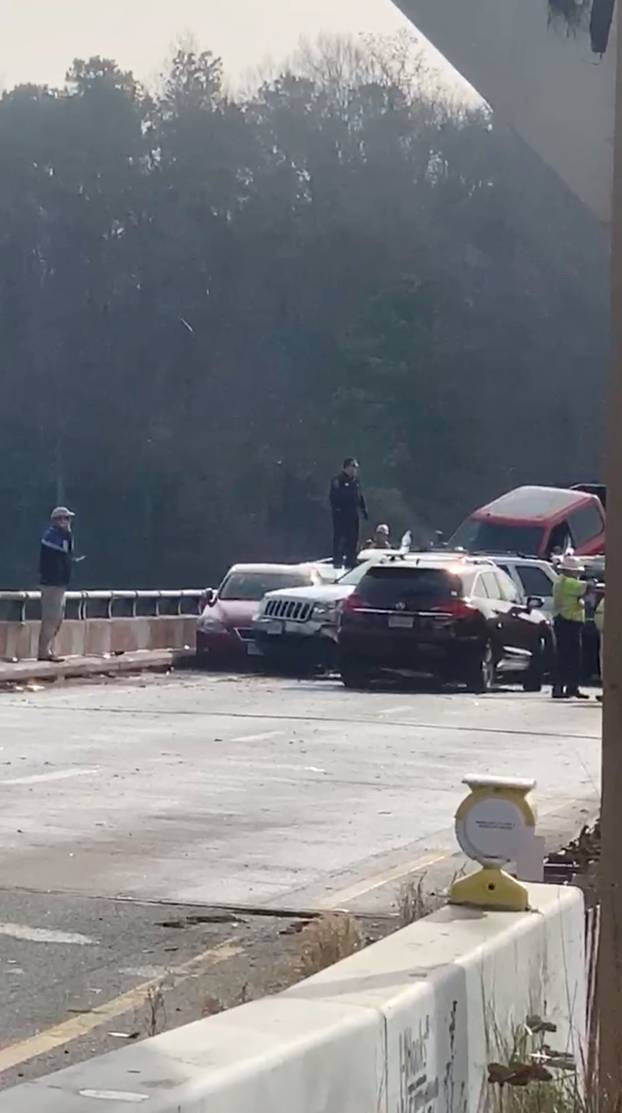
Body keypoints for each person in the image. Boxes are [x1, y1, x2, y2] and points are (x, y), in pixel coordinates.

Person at [38, 506, 76, 662]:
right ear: (56, 520)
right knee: (51, 618)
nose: (66, 521)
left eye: (68, 518)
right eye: (63, 518)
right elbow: (58, 557)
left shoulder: (64, 536)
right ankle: (43, 652)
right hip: (51, 584)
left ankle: (49, 650)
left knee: (58, 618)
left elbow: (66, 556)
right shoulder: (52, 536)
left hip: (60, 584)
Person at [551, 553, 589, 700]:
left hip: (562, 621)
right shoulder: (569, 582)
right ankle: (570, 687)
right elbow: (586, 588)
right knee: (572, 657)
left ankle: (561, 687)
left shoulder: (559, 581)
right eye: (578, 572)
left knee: (562, 656)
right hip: (569, 622)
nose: (579, 574)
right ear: (571, 571)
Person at [329, 457, 368, 569]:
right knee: (340, 537)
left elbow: (360, 496)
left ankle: (351, 559)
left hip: (353, 513)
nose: (354, 470)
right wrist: (337, 510)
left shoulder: (355, 481)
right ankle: (338, 560)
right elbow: (334, 497)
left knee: (353, 537)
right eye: (352, 467)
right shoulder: (338, 480)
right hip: (341, 514)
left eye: (356, 468)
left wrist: (363, 509)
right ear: (346, 468)